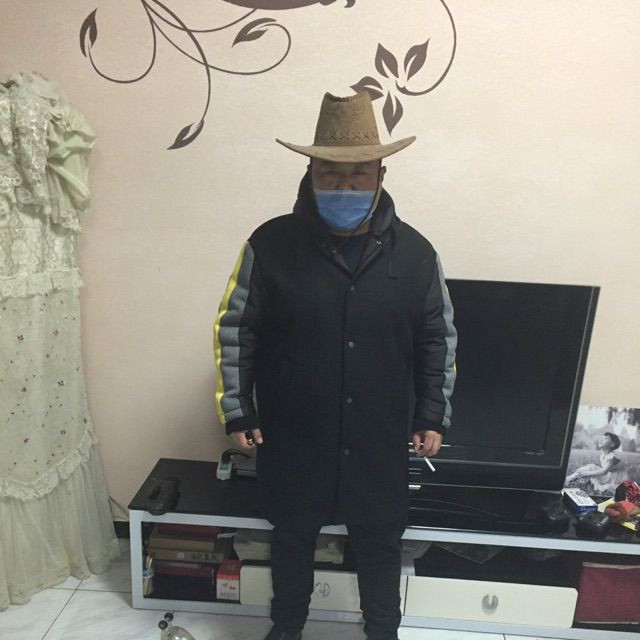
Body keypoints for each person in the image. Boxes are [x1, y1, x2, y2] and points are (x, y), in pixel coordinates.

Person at [214, 92, 457, 640]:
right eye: (331, 173)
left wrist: (432, 415)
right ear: (311, 174)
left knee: (380, 541)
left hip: (379, 437)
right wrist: (237, 408)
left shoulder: (417, 254)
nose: (344, 187)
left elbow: (437, 339)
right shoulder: (269, 244)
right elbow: (235, 329)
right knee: (292, 537)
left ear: (380, 175)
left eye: (358, 174)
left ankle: (382, 631)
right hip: (295, 432)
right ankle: (286, 628)